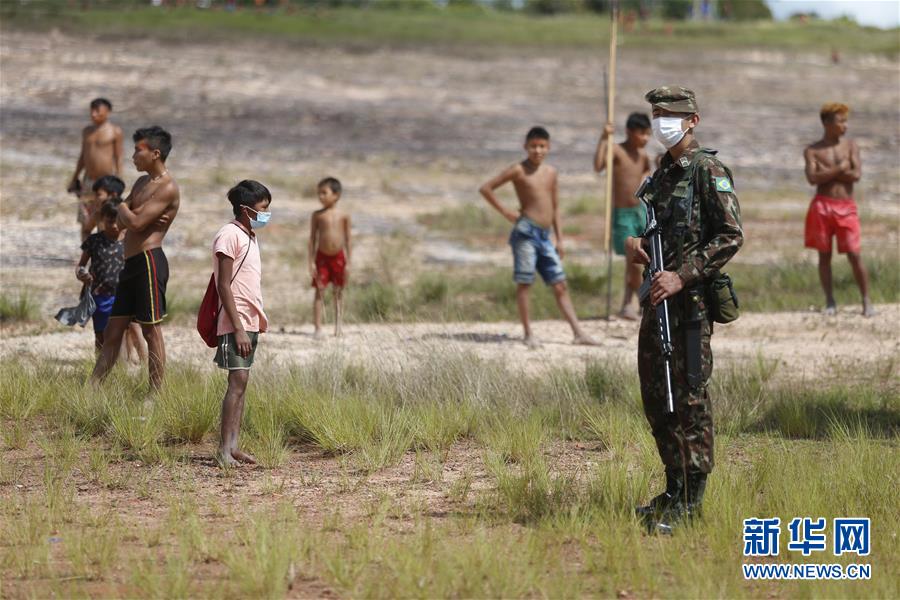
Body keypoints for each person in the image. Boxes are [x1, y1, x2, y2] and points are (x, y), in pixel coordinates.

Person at [625, 87, 743, 533]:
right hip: (657, 303)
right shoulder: (662, 174)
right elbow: (657, 231)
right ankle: (673, 488)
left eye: (670, 115)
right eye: (656, 114)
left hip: (690, 306)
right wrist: (639, 247)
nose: (661, 122)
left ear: (692, 120)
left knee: (689, 399)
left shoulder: (707, 171)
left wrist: (682, 274)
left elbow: (730, 235)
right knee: (658, 397)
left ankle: (692, 501)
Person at [480, 126, 599, 348]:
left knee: (560, 283)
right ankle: (527, 334)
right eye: (533, 146)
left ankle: (578, 332)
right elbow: (486, 188)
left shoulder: (551, 173)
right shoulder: (517, 170)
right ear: (526, 147)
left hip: (545, 236)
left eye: (542, 146)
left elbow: (555, 206)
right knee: (525, 283)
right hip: (525, 233)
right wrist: (506, 212)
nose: (537, 150)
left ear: (549, 147)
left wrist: (560, 238)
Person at [90, 126, 179, 392]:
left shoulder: (168, 187)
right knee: (113, 331)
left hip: (149, 261)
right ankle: (91, 390)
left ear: (155, 153)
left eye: (138, 150)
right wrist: (128, 211)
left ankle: (155, 394)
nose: (133, 156)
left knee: (151, 331)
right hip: (129, 264)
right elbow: (123, 219)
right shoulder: (141, 183)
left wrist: (124, 209)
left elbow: (136, 223)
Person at [213, 180, 272, 467]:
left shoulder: (249, 235)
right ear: (246, 209)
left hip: (249, 320)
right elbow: (223, 285)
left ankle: (234, 446)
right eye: (263, 209)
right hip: (235, 321)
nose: (266, 214)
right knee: (236, 382)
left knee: (242, 382)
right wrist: (237, 327)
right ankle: (225, 450)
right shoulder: (229, 235)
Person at [803, 102, 873, 317]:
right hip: (822, 206)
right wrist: (841, 168)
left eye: (845, 121)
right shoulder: (812, 150)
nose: (845, 126)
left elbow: (856, 175)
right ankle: (830, 301)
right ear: (827, 123)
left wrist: (829, 172)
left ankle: (866, 301)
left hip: (846, 206)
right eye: (841, 121)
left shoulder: (851, 146)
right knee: (824, 256)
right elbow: (812, 178)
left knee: (854, 254)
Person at [594, 112, 653, 320]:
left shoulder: (643, 155)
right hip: (622, 214)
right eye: (641, 134)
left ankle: (628, 305)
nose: (645, 138)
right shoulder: (616, 150)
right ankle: (642, 301)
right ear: (629, 131)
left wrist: (645, 179)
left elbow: (647, 169)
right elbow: (599, 165)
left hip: (640, 212)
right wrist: (604, 138)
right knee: (632, 259)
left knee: (637, 261)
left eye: (648, 134)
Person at [92, 175, 146, 364]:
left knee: (132, 326)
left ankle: (138, 360)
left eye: (98, 194)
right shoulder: (103, 216)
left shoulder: (123, 216)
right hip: (104, 285)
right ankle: (121, 362)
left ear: (112, 194)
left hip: (124, 281)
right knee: (116, 327)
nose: (95, 198)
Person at [68, 98, 124, 241]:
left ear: (108, 112)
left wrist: (119, 181)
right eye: (92, 110)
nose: (93, 114)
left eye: (97, 111)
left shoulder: (115, 132)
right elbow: (82, 156)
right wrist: (75, 177)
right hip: (88, 180)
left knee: (104, 215)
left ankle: (104, 250)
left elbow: (118, 158)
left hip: (106, 182)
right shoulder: (87, 131)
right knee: (85, 216)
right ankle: (85, 253)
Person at [75, 201, 125, 354]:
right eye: (110, 221)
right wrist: (83, 274)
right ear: (103, 219)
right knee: (101, 335)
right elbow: (80, 266)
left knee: (121, 335)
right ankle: (101, 369)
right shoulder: (94, 241)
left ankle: (122, 369)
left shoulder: (130, 240)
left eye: (118, 222)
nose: (115, 226)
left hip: (123, 295)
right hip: (99, 296)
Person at [308, 177, 351, 338]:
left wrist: (349, 263)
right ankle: (318, 328)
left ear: (336, 194)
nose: (320, 196)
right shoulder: (317, 215)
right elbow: (312, 239)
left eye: (324, 193)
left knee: (338, 292)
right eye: (319, 193)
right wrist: (311, 261)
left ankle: (338, 327)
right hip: (322, 258)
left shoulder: (344, 215)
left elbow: (348, 239)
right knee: (319, 291)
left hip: (339, 257)